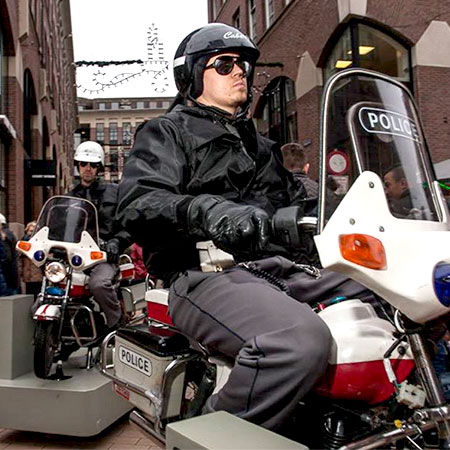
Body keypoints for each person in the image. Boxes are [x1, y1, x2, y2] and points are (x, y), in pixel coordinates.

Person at [116, 23, 367, 432]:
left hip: (279, 270)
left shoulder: (261, 145)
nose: (240, 73)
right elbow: (138, 203)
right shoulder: (165, 132)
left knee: (392, 296)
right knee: (297, 342)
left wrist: (350, 207)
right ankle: (209, 429)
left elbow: (297, 201)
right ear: (194, 74)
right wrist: (207, 210)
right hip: (205, 273)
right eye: (225, 64)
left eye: (245, 66)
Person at [67, 141, 129, 331]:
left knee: (99, 284)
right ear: (78, 165)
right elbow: (60, 224)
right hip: (74, 255)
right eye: (84, 164)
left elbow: (127, 222)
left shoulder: (114, 191)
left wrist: (116, 242)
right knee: (54, 282)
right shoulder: (70, 196)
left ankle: (116, 326)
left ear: (99, 167)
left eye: (93, 165)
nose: (88, 169)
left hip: (102, 255)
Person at [18, 221, 42, 298]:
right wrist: (20, 272)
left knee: (38, 294)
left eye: (34, 231)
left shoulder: (41, 243)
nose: (32, 233)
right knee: (29, 295)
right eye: (31, 231)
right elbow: (19, 259)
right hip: (27, 274)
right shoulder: (23, 242)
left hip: (38, 274)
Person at [0, 213, 19, 295]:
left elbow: (6, 257)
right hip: (9, 274)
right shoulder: (9, 235)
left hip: (5, 274)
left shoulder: (5, 236)